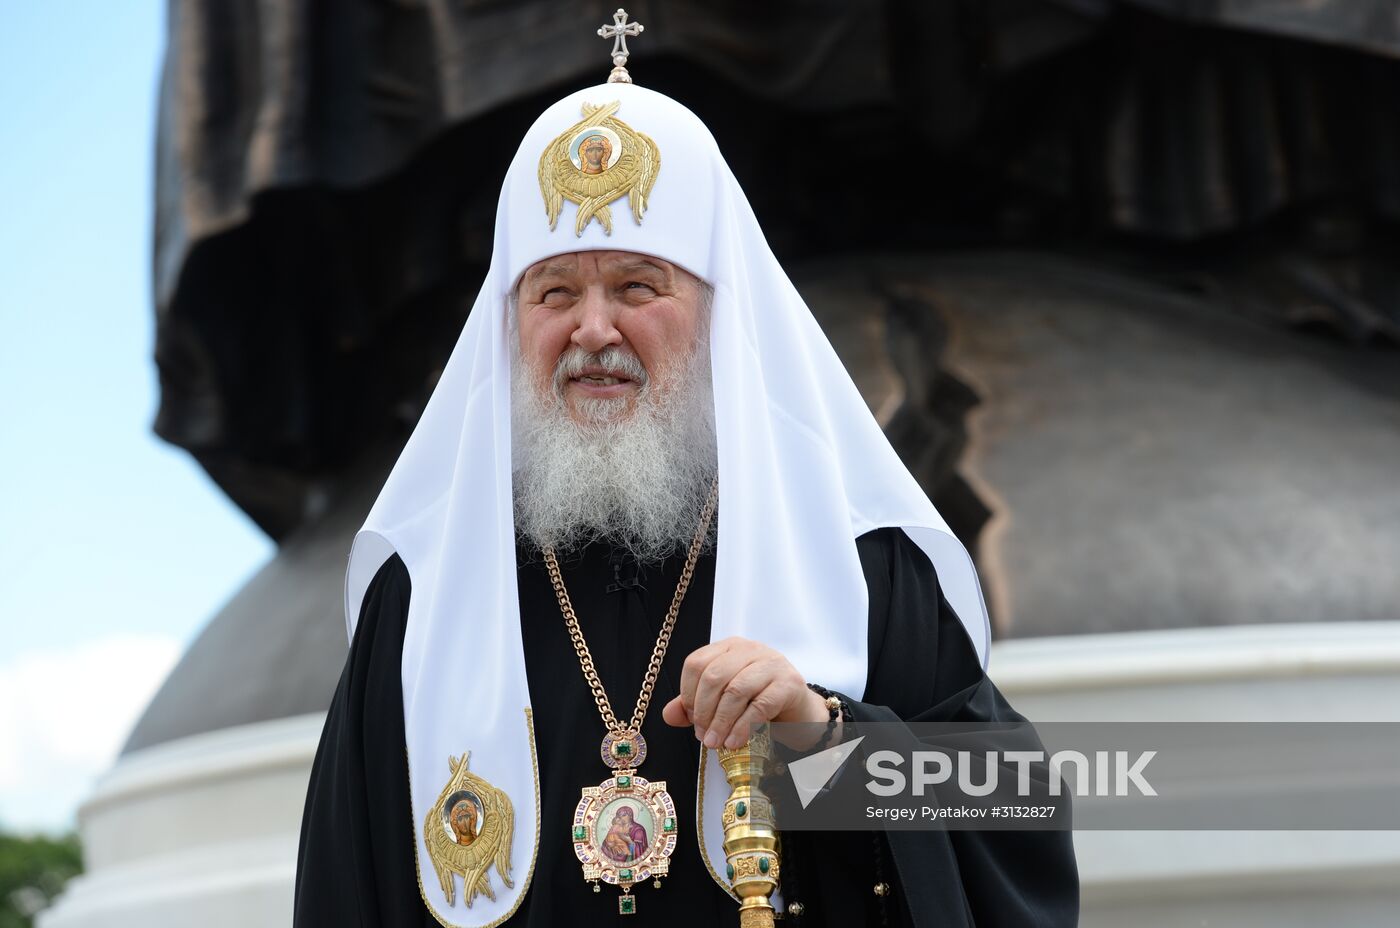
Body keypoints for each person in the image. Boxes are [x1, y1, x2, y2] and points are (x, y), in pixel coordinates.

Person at [294, 18, 1078, 928]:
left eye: (637, 287)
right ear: (509, 326)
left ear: (717, 318)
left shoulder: (861, 562)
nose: (592, 331)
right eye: (554, 294)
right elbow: (346, 889)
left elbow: (1013, 811)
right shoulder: (421, 594)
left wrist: (823, 741)